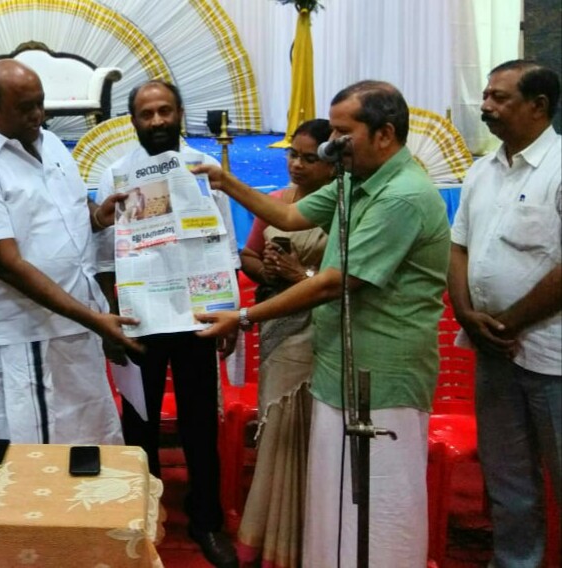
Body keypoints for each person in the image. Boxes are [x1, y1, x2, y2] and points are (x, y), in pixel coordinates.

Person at [192, 80, 451, 567]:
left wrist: (243, 316)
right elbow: (289, 215)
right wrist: (226, 182)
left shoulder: (402, 196)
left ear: (384, 134)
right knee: (335, 502)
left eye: (341, 133)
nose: (331, 145)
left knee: (380, 509)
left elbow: (333, 282)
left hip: (383, 376)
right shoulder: (356, 180)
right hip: (337, 367)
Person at [0, 60, 141, 445]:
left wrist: (97, 217)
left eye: (40, 103)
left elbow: (67, 211)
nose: (38, 114)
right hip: (17, 341)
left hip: (73, 332)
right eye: (25, 107)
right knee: (23, 464)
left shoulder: (49, 143)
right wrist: (95, 320)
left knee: (88, 451)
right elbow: (8, 265)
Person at [95, 80, 240, 568]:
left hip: (196, 317)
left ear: (180, 113)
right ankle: (143, 518)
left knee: (200, 423)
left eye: (165, 111)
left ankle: (206, 521)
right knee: (140, 422)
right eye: (147, 114)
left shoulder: (205, 169)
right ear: (133, 121)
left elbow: (225, 244)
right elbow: (103, 257)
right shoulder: (116, 174)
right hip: (138, 319)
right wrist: (110, 318)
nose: (157, 120)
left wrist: (229, 314)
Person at [449, 60, 561, 567]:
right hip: (493, 351)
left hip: (551, 356)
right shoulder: (482, 170)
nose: (486, 106)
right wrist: (466, 314)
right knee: (507, 479)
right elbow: (458, 247)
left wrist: (508, 322)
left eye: (500, 98)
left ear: (538, 106)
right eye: (486, 96)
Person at [236, 119, 333, 568]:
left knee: (313, 433)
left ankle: (311, 538)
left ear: (331, 162)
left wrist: (302, 276)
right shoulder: (275, 202)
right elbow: (249, 255)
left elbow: (340, 281)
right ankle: (273, 539)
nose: (297, 164)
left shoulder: (344, 210)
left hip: (321, 330)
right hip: (277, 326)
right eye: (293, 154)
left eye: (309, 158)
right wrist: (270, 272)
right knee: (277, 429)